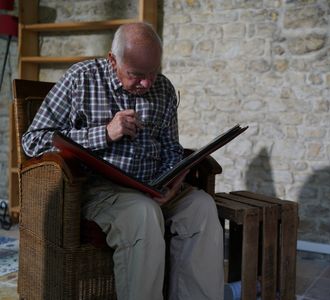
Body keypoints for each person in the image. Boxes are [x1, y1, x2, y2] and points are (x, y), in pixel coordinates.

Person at [21, 22, 224, 300]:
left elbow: (170, 147)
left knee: (202, 207)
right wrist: (104, 133)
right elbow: (33, 141)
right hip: (101, 191)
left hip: (155, 187)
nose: (147, 83)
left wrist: (173, 182)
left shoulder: (163, 88)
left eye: (153, 73)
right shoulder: (82, 79)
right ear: (112, 60)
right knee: (142, 213)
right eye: (137, 75)